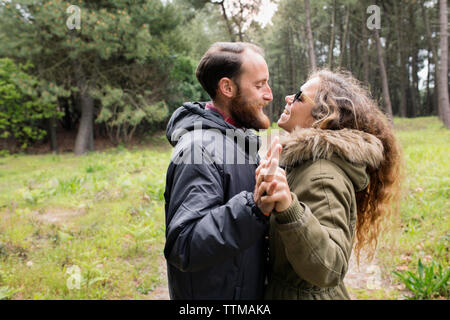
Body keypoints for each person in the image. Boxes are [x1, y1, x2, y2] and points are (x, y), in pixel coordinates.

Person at [254, 69, 402, 299]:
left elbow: (329, 268)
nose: (288, 98)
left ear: (322, 116)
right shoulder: (303, 164)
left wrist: (289, 208)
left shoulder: (321, 174)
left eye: (299, 96)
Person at [164, 42, 275, 299]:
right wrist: (255, 209)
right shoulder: (198, 150)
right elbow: (184, 244)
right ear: (227, 88)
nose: (269, 94)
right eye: (259, 85)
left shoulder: (238, 141)